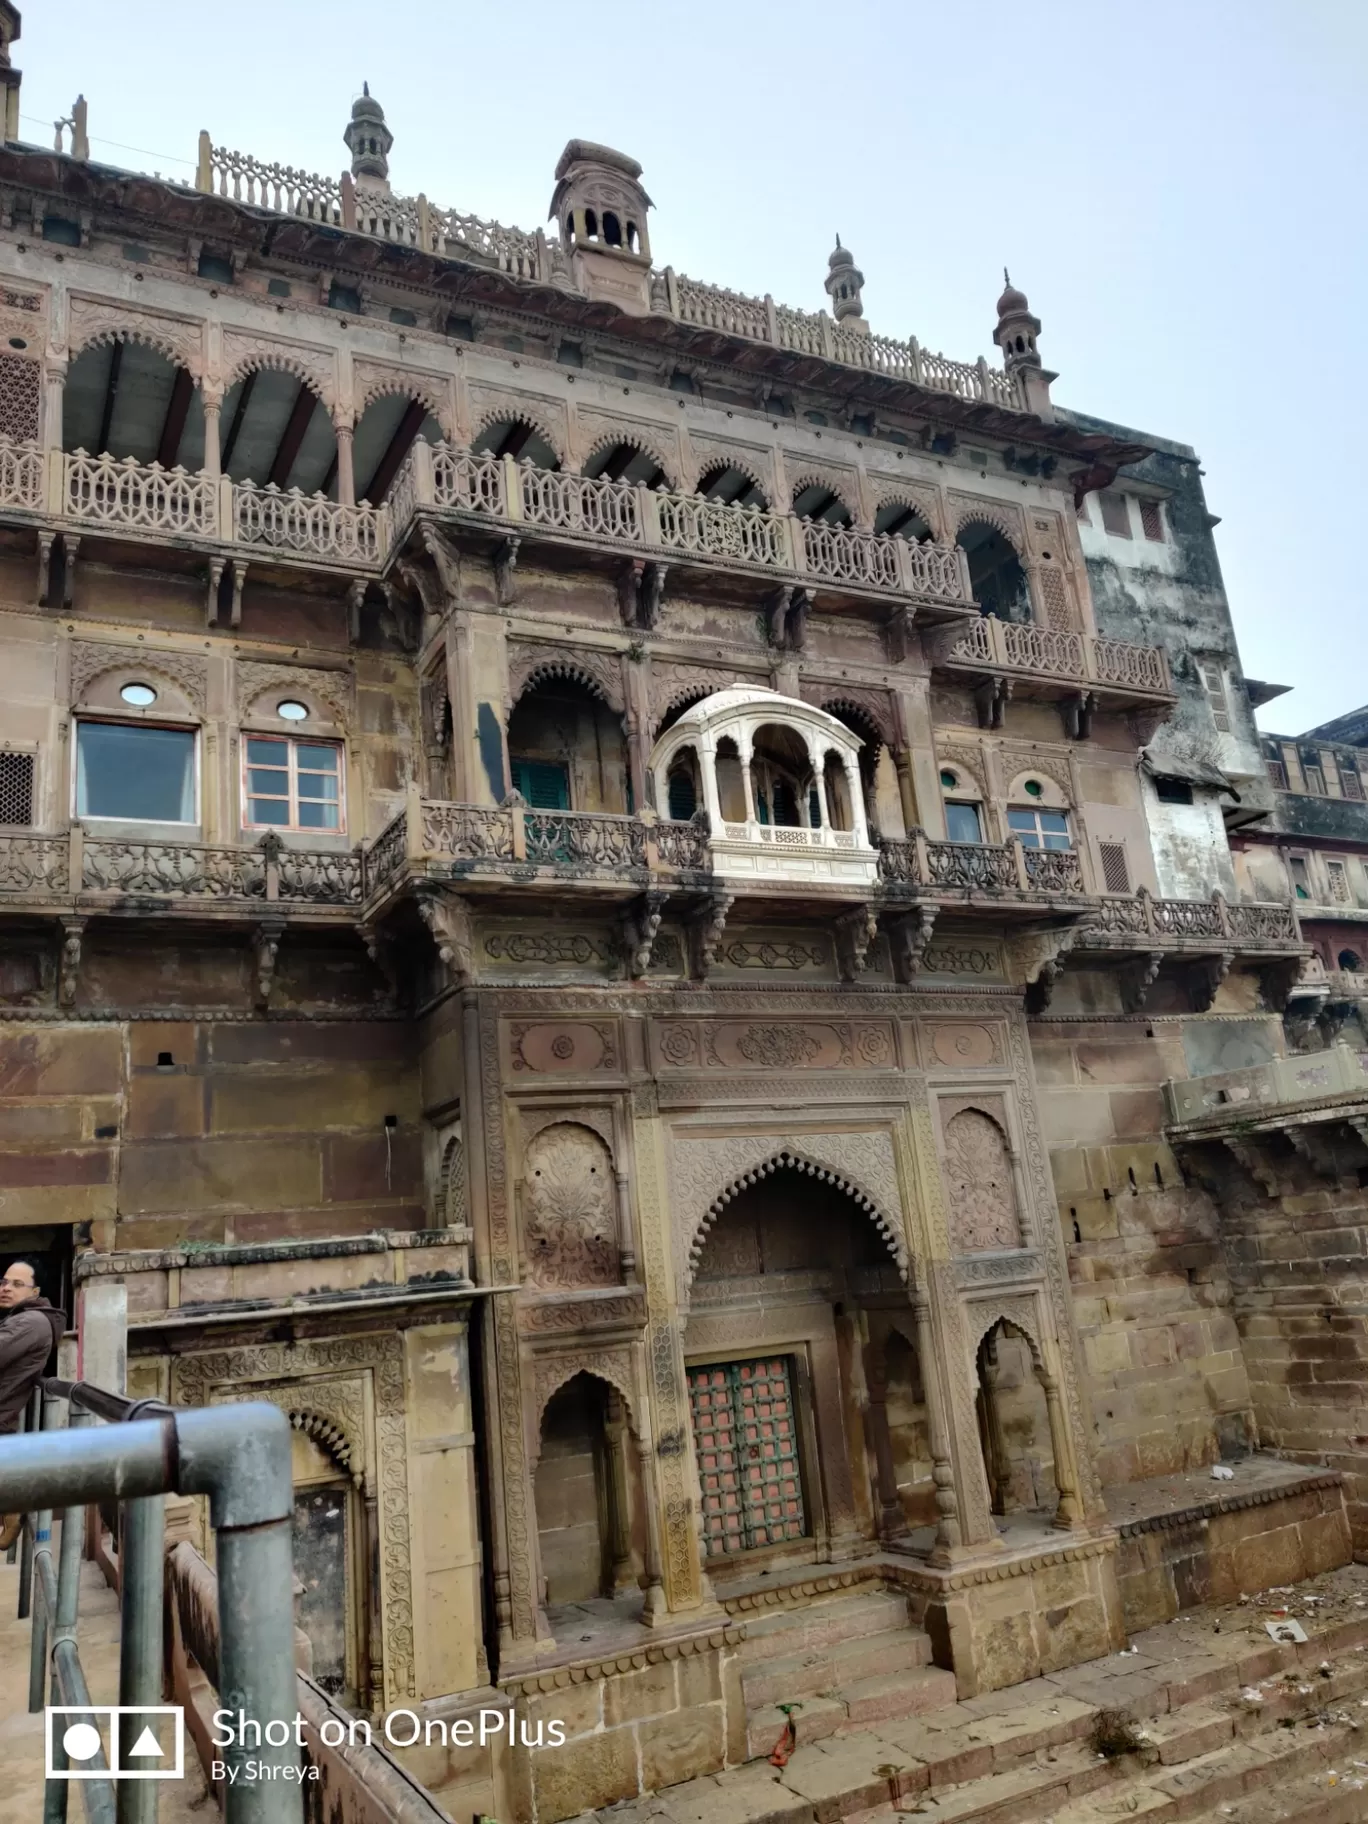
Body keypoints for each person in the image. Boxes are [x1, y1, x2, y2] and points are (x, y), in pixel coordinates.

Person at [0, 1260, 65, 1550]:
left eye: (16, 1284)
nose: (6, 1288)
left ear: (34, 1290)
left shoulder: (31, 1322)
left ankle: (13, 1506)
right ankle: (11, 1507)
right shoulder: (24, 1319)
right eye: (3, 1282)